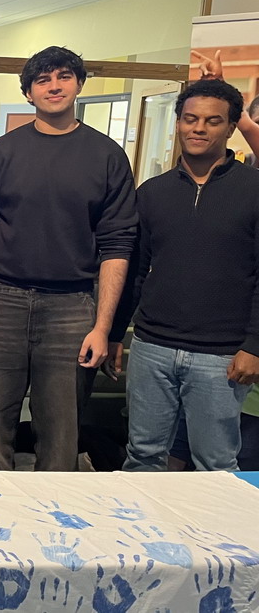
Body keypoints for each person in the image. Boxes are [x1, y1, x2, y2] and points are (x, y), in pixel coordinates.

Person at [0, 46, 137, 472]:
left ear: (79, 84)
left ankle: (54, 510)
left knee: (61, 433)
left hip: (72, 308)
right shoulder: (0, 153)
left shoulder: (106, 156)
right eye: (42, 80)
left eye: (63, 77)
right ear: (28, 92)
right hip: (1, 304)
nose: (54, 86)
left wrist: (102, 327)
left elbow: (118, 244)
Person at [109, 79, 259, 472]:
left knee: (215, 464)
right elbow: (135, 272)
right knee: (143, 455)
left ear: (231, 127)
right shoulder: (152, 192)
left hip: (222, 355)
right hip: (152, 347)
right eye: (190, 119)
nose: (199, 128)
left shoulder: (253, 190)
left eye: (212, 121)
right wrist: (115, 334)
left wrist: (254, 346)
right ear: (177, 123)